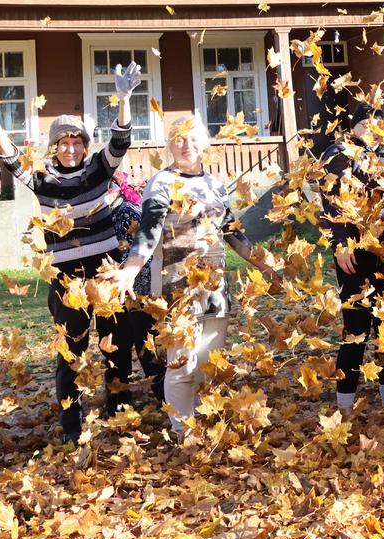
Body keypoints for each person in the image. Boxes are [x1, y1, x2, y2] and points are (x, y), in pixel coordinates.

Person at [0, 62, 143, 444]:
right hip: (67, 279)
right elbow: (9, 156)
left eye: (77, 141)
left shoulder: (98, 170)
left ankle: (119, 407)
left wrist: (124, 99)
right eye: (65, 142)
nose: (71, 148)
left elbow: (120, 142)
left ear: (84, 145)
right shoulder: (42, 178)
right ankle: (71, 420)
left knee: (118, 343)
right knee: (71, 349)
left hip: (106, 270)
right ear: (55, 146)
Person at [111, 115, 280, 439]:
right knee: (182, 363)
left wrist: (265, 265)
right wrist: (130, 270)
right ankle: (182, 432)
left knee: (207, 363)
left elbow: (233, 233)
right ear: (170, 145)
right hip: (177, 288)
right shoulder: (160, 184)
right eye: (179, 139)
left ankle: (200, 424)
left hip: (215, 287)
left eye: (192, 138)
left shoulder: (214, 185)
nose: (186, 144)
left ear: (204, 144)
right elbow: (148, 234)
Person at [317, 102, 384, 413]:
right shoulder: (337, 153)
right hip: (355, 255)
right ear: (353, 127)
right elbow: (330, 202)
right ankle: (344, 404)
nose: (371, 130)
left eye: (378, 125)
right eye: (365, 125)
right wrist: (339, 243)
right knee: (356, 330)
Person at [110, 170, 165, 403]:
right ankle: (121, 400)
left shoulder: (126, 212)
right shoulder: (109, 213)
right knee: (122, 345)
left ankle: (166, 398)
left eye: (110, 186)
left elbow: (138, 252)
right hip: (123, 289)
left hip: (138, 289)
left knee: (147, 346)